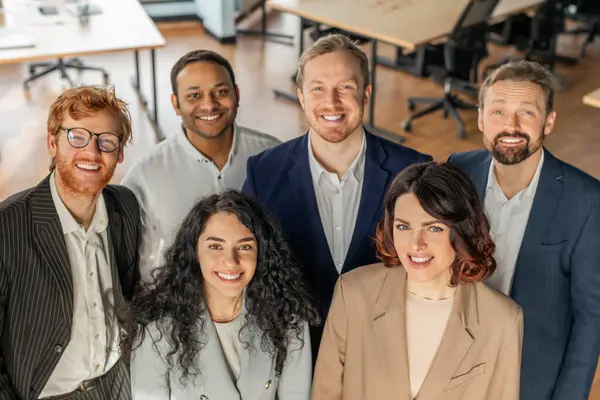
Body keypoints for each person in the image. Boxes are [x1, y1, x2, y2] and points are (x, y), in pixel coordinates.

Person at [242, 34, 431, 344]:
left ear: (366, 93)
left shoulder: (414, 171)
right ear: (301, 97)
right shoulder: (263, 173)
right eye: (318, 89)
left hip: (388, 348)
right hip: (295, 352)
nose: (331, 102)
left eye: (345, 87)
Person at [448, 60, 600, 400]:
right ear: (481, 118)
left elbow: (591, 319)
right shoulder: (458, 170)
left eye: (526, 113)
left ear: (549, 122)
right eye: (499, 112)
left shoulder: (587, 200)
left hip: (529, 377)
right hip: (452, 365)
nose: (511, 126)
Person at [311, 162, 523, 400]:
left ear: (462, 230)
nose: (415, 244)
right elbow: (325, 393)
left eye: (433, 229)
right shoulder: (352, 293)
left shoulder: (502, 320)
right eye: (403, 226)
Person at [0, 86, 141, 399]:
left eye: (107, 141)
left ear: (120, 153)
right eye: (78, 136)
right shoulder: (6, 226)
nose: (92, 153)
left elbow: (129, 293)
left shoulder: (125, 206)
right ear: (53, 142)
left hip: (116, 382)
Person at [125, 190, 320, 400]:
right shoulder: (156, 329)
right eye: (215, 246)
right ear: (194, 252)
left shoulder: (288, 317)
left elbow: (296, 395)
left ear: (261, 252)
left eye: (245, 246)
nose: (231, 261)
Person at [121, 49, 281, 278]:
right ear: (175, 104)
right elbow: (136, 264)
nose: (209, 105)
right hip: (183, 306)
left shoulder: (274, 155)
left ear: (236, 94)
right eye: (194, 96)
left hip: (263, 301)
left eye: (221, 92)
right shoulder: (145, 174)